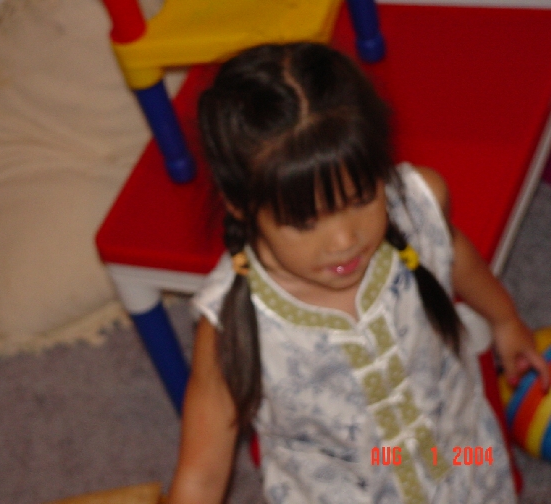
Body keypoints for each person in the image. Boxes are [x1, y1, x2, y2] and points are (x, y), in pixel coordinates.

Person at [166, 43, 549, 504]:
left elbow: (456, 257)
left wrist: (505, 319)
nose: (344, 240)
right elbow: (201, 477)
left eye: (361, 198)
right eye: (306, 222)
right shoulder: (229, 327)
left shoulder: (419, 204)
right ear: (241, 206)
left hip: (463, 460)